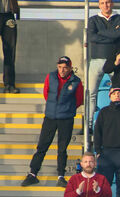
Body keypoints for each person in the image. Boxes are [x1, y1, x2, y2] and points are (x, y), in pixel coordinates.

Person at [22, 55, 83, 187]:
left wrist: (65, 109)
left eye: (65, 68)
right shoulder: (51, 77)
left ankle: (61, 176)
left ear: (70, 68)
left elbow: (79, 99)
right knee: (42, 146)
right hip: (50, 117)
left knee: (62, 149)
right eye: (60, 67)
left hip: (66, 119)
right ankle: (33, 173)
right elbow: (46, 93)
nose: (62, 70)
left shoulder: (76, 81)